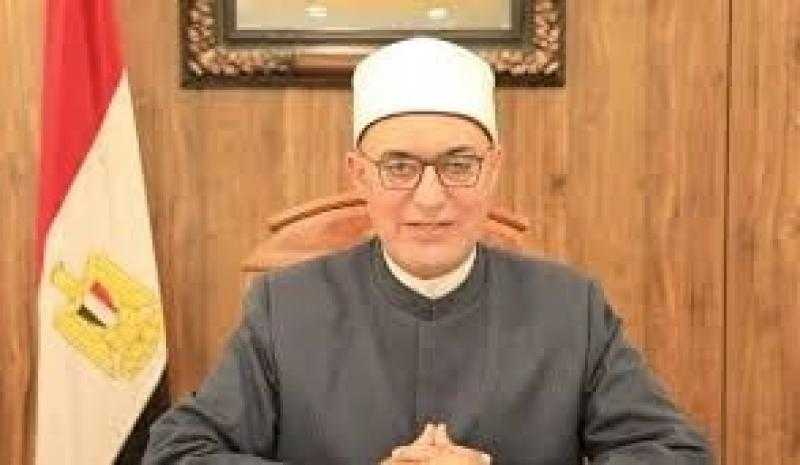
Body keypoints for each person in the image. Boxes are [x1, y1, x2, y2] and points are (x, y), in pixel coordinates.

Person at [144, 37, 713, 465]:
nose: (431, 197)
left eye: (458, 164)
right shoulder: (287, 307)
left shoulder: (570, 309)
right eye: (399, 167)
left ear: (493, 170)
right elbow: (178, 451)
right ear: (359, 175)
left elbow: (676, 453)